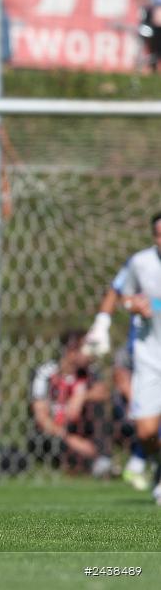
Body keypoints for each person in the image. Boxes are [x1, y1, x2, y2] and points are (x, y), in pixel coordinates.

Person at [85, 264, 150, 489]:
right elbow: (120, 294)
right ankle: (139, 461)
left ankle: (139, 462)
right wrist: (101, 325)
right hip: (146, 365)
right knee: (148, 427)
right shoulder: (141, 263)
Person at [119, 212, 161, 504]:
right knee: (146, 431)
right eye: (159, 234)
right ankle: (156, 463)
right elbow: (125, 297)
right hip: (150, 357)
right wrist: (134, 305)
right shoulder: (140, 263)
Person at [29, 330, 112, 476]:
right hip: (54, 434)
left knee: (97, 406)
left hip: (78, 428)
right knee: (58, 443)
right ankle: (87, 462)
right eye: (86, 348)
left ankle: (102, 460)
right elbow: (41, 418)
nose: (91, 353)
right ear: (72, 351)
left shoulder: (89, 371)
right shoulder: (45, 373)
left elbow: (104, 392)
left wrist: (81, 397)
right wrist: (69, 439)